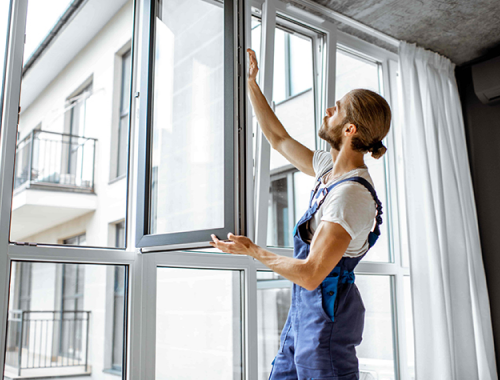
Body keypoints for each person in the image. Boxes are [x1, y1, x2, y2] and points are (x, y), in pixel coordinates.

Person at [210, 48, 391, 380]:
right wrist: (252, 83)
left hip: (327, 327)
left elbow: (310, 274)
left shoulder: (350, 195)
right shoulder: (327, 170)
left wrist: (252, 250)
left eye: (336, 109)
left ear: (349, 129)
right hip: (302, 319)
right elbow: (278, 140)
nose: (328, 111)